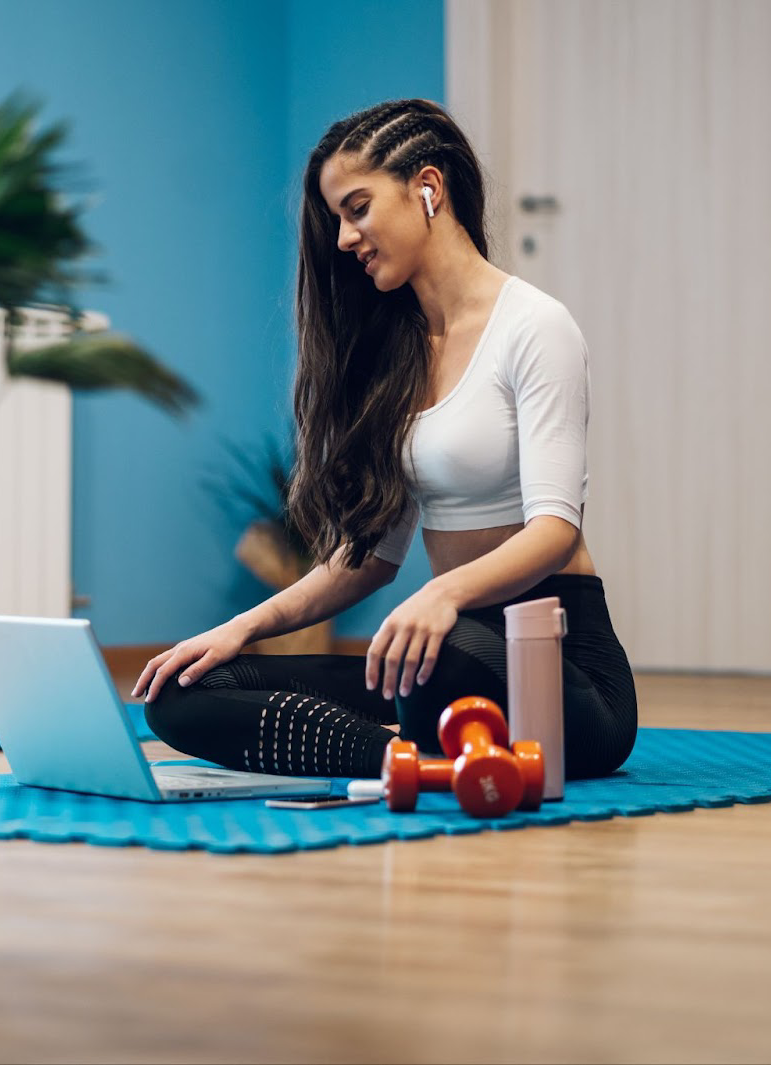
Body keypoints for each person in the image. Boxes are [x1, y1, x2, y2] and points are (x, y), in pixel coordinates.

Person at [132, 99, 637, 780]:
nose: (344, 237)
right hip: (443, 645)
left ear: (427, 188)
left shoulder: (535, 327)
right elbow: (371, 556)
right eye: (338, 217)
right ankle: (411, 763)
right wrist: (243, 628)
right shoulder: (396, 352)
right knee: (185, 691)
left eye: (358, 208)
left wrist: (444, 593)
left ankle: (428, 732)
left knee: (439, 660)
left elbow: (553, 528)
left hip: (557, 662)